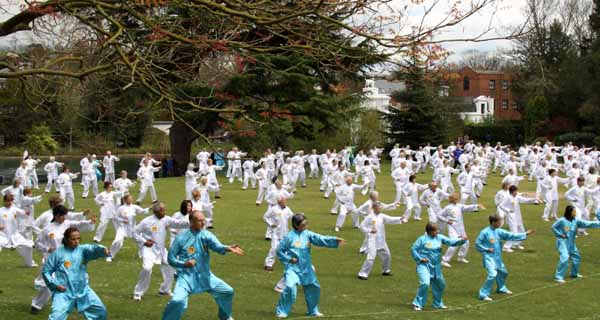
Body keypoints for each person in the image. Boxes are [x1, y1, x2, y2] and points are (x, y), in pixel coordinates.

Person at [161, 210, 244, 320]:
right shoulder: (181, 238)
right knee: (177, 301)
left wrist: (227, 248)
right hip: (186, 277)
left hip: (205, 276)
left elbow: (217, 246)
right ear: (191, 222)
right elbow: (170, 258)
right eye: (200, 221)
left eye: (203, 220)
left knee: (227, 292)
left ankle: (225, 316)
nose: (203, 223)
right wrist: (184, 264)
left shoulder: (206, 235)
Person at [275, 214, 345, 318]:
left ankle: (313, 310)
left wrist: (334, 240)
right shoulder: (289, 236)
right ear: (295, 225)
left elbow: (320, 238)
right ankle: (282, 311)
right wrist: (289, 259)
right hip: (292, 268)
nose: (305, 226)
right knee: (290, 287)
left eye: (306, 224)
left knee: (314, 287)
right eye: (303, 225)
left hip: (306, 268)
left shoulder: (307, 234)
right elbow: (279, 251)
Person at [31, 205, 96, 313]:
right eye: (62, 215)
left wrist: (90, 222)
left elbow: (79, 224)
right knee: (48, 285)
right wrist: (47, 248)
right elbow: (37, 243)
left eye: (65, 215)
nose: (64, 218)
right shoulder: (48, 228)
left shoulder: (68, 224)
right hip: (52, 260)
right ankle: (36, 305)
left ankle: (84, 304)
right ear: (56, 215)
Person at [41, 227, 109, 319]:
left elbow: (92, 249)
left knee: (100, 312)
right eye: (73, 239)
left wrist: (102, 250)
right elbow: (46, 271)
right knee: (56, 317)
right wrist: (55, 285)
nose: (76, 241)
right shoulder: (58, 253)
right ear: (66, 239)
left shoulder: (82, 250)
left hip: (83, 290)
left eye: (78, 239)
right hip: (64, 292)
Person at [132, 202, 190, 300]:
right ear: (156, 211)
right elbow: (134, 232)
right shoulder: (146, 221)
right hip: (149, 250)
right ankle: (138, 292)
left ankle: (164, 289)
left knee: (171, 267)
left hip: (162, 250)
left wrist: (191, 222)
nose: (165, 212)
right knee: (147, 268)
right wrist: (144, 241)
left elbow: (177, 223)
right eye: (162, 210)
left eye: (165, 210)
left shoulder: (166, 219)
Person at [475, 214, 534, 301]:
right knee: (492, 275)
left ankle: (501, 288)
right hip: (489, 257)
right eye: (498, 222)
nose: (500, 223)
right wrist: (486, 249)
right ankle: (483, 294)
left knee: (503, 273)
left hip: (498, 258)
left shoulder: (499, 231)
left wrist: (525, 234)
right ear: (493, 222)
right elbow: (477, 244)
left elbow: (511, 235)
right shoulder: (484, 232)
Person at [410, 222, 468, 311]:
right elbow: (413, 249)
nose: (437, 232)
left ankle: (437, 303)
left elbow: (450, 242)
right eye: (435, 230)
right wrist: (420, 258)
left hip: (436, 267)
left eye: (437, 230)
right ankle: (417, 304)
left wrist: (462, 240)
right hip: (424, 265)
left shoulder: (439, 237)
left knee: (441, 285)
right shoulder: (422, 239)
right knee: (425, 283)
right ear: (429, 231)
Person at [551, 205, 600, 283]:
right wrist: (559, 234)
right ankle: (558, 277)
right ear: (569, 212)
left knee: (576, 257)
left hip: (571, 242)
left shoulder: (576, 221)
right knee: (565, 257)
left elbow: (588, 223)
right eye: (574, 211)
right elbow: (553, 227)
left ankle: (574, 274)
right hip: (562, 242)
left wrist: (598, 223)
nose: (575, 213)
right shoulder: (562, 220)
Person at [357, 202, 403, 280]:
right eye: (379, 208)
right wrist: (370, 230)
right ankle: (362, 274)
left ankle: (386, 270)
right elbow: (361, 226)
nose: (381, 209)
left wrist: (400, 219)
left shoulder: (382, 216)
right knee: (371, 257)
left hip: (381, 240)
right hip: (372, 240)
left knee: (387, 255)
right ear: (374, 208)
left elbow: (390, 219)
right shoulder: (369, 217)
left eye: (381, 207)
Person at [438, 193, 483, 267]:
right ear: (451, 199)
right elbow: (439, 215)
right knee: (454, 243)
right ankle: (444, 260)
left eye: (457, 199)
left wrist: (477, 205)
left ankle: (461, 257)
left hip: (460, 227)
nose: (457, 200)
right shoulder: (447, 208)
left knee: (466, 242)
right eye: (455, 199)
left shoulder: (459, 206)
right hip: (452, 227)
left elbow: (467, 207)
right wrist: (447, 220)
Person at [108, 194, 150, 261]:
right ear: (125, 200)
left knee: (141, 240)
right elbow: (115, 217)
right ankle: (110, 255)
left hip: (133, 228)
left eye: (131, 199)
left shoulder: (134, 207)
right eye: (129, 199)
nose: (131, 200)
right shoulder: (121, 208)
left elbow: (142, 211)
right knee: (117, 241)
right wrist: (122, 220)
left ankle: (142, 255)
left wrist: (149, 208)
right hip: (123, 228)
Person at [500, 185, 540, 252]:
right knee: (514, 232)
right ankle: (506, 247)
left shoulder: (517, 197)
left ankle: (516, 244)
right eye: (515, 191)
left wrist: (534, 199)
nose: (516, 192)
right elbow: (501, 205)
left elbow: (525, 200)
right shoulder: (508, 197)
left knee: (521, 230)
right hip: (511, 216)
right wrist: (508, 210)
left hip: (518, 216)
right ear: (512, 191)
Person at [0, 194, 35, 267]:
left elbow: (25, 214)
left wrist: (27, 211)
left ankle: (29, 263)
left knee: (29, 246)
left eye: (11, 201)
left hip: (15, 235)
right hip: (2, 235)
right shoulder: (1, 210)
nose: (10, 202)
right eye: (8, 201)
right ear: (4, 201)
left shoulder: (15, 209)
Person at [263, 196, 294, 271]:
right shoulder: (273, 209)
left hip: (285, 232)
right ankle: (268, 264)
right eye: (283, 201)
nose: (285, 202)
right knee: (274, 248)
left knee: (287, 248)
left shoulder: (287, 209)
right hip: (275, 233)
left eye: (285, 200)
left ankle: (288, 261)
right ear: (279, 202)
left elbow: (293, 216)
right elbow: (265, 217)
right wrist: (271, 224)